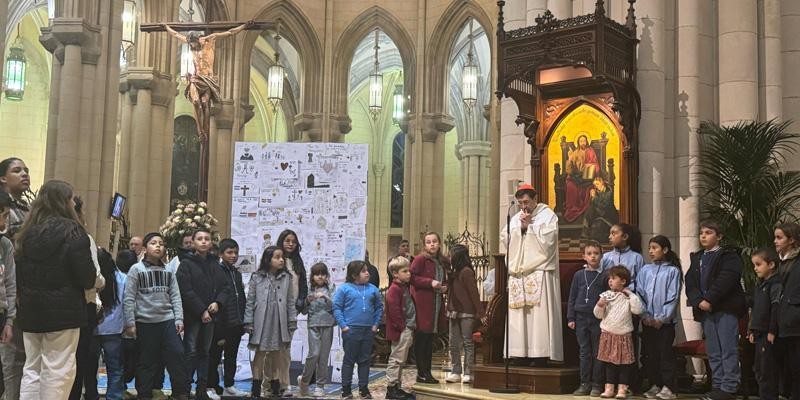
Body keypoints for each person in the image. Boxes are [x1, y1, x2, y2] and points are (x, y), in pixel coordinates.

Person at [14, 180, 97, 399]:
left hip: (31, 311)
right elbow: (87, 277)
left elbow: (19, 275)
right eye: (71, 198)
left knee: (32, 369)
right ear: (65, 201)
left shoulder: (26, 233)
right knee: (58, 369)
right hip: (64, 313)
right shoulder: (73, 231)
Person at [499, 183, 563, 365]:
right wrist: (521, 228)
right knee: (520, 315)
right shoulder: (516, 217)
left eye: (526, 202)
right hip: (519, 274)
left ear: (535, 199)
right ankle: (519, 353)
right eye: (520, 203)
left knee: (538, 316)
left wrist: (531, 228)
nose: (523, 206)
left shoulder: (547, 215)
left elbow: (549, 241)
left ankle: (540, 354)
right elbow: (506, 237)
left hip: (539, 271)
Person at [123, 232, 189, 400]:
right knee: (147, 361)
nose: (158, 246)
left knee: (177, 354)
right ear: (145, 248)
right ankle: (144, 394)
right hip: (145, 321)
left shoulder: (168, 270)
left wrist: (179, 318)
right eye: (153, 243)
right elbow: (129, 297)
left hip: (167, 320)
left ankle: (180, 392)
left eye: (161, 243)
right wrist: (130, 323)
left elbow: (175, 295)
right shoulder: (136, 269)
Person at [684, 220, 746, 400]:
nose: (703, 236)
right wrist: (698, 301)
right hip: (706, 311)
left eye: (708, 232)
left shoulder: (729, 255)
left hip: (725, 308)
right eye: (701, 232)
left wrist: (710, 299)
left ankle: (729, 387)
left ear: (719, 236)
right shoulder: (697, 257)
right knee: (714, 351)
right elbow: (690, 282)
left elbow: (727, 278)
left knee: (728, 349)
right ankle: (717, 386)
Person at [176, 229, 231, 400]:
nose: (204, 242)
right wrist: (202, 310)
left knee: (205, 352)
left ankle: (202, 389)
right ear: (192, 242)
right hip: (193, 316)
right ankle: (184, 389)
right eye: (199, 239)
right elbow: (186, 290)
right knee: (190, 351)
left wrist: (217, 303)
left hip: (211, 316)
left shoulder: (215, 264)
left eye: (207, 239)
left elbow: (225, 287)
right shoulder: (186, 264)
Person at [244, 246, 297, 399]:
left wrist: (291, 321)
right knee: (260, 352)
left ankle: (275, 385)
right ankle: (256, 386)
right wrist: (248, 321)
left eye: (282, 257)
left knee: (277, 352)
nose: (281, 260)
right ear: (268, 259)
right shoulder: (257, 277)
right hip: (261, 319)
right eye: (277, 257)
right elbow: (250, 301)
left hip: (279, 319)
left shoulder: (286, 277)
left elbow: (290, 302)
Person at [69, 196, 106, 400]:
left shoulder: (35, 232)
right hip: (81, 306)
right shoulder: (82, 237)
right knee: (76, 363)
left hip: (45, 308)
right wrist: (102, 282)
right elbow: (93, 277)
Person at [636, 236, 682, 400]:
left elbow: (673, 297)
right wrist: (645, 315)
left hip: (664, 324)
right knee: (650, 355)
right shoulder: (645, 270)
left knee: (665, 355)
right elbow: (639, 294)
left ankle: (669, 387)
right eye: (649, 248)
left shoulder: (672, 271)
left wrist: (661, 318)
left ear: (665, 250)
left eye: (655, 248)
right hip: (648, 322)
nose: (651, 251)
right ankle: (656, 383)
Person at [0, 157, 31, 400]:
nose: (24, 174)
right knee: (10, 361)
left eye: (26, 171)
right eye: (17, 170)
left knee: (19, 357)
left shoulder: (26, 208)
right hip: (10, 288)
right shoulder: (4, 209)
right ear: (3, 178)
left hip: (22, 290)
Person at [601, 223, 644, 389]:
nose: (610, 236)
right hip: (611, 309)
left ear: (625, 237)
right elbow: (604, 280)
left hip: (627, 306)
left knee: (629, 346)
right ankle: (610, 384)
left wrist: (626, 291)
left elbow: (639, 282)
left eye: (614, 233)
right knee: (610, 346)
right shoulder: (606, 258)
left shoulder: (636, 258)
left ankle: (629, 384)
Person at [333, 261, 383, 399]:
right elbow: (337, 307)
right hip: (351, 330)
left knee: (365, 360)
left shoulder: (373, 289)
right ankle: (346, 389)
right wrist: (344, 326)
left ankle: (364, 388)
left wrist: (375, 324)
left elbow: (379, 307)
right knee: (349, 360)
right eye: (363, 271)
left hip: (368, 330)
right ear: (354, 275)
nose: (368, 273)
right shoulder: (344, 289)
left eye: (367, 270)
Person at [594, 266, 643, 399]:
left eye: (614, 278)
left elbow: (638, 310)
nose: (610, 281)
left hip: (623, 336)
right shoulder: (605, 295)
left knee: (624, 364)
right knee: (609, 363)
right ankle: (609, 388)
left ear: (623, 281)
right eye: (609, 278)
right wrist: (600, 305)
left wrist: (631, 295)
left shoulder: (628, 296)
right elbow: (598, 315)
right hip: (608, 335)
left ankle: (622, 389)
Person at [207, 239, 248, 398]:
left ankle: (229, 385)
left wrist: (243, 319)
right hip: (220, 323)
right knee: (215, 356)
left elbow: (241, 297)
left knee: (232, 356)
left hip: (236, 322)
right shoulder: (216, 271)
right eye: (229, 252)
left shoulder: (236, 273)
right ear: (221, 254)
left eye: (236, 253)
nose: (233, 256)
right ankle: (211, 386)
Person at [567, 240, 607, 396]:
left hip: (597, 318)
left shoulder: (604, 276)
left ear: (601, 256)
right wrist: (571, 317)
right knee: (584, 351)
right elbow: (572, 297)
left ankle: (597, 384)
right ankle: (584, 383)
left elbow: (607, 298)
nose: (593, 257)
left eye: (596, 254)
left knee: (597, 351)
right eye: (589, 254)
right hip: (580, 317)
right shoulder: (578, 275)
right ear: (584, 256)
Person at [86, 249, 126, 400]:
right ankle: (114, 396)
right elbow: (127, 304)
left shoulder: (91, 278)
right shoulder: (122, 278)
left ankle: (91, 395)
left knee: (90, 368)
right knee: (115, 368)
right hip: (114, 329)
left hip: (93, 328)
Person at [410, 232, 447, 383]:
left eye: (434, 241)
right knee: (422, 340)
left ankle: (427, 372)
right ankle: (421, 373)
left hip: (436, 304)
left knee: (429, 341)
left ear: (439, 243)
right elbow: (411, 277)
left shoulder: (440, 261)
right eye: (428, 242)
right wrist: (429, 282)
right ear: (425, 245)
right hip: (422, 305)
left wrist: (444, 287)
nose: (432, 244)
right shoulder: (420, 259)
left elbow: (443, 279)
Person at [444, 244, 484, 384]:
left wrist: (481, 312)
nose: (449, 257)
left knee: (467, 343)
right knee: (453, 343)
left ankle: (468, 372)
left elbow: (474, 293)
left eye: (451, 255)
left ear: (457, 256)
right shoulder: (453, 272)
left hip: (466, 312)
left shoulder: (466, 271)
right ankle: (455, 371)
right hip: (453, 311)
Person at [298, 263, 336, 397]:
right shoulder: (308, 289)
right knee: (314, 353)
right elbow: (303, 311)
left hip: (328, 324)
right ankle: (304, 381)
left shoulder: (331, 288)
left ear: (326, 275)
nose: (320, 276)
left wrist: (326, 297)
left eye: (323, 273)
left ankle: (320, 385)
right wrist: (307, 301)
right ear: (312, 276)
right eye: (317, 274)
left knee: (324, 356)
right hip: (313, 325)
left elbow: (335, 306)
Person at [748, 247, 781, 400]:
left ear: (771, 265)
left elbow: (775, 308)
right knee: (759, 369)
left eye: (758, 264)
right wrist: (752, 330)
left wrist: (772, 330)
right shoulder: (760, 285)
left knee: (767, 370)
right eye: (754, 265)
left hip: (768, 334)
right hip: (759, 332)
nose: (755, 268)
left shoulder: (775, 284)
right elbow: (756, 310)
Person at [276, 229, 307, 393]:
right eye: (287, 240)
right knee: (274, 348)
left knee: (285, 348)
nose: (290, 244)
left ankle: (284, 383)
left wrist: (301, 301)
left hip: (291, 311)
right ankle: (271, 383)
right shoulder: (274, 259)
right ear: (281, 241)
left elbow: (303, 286)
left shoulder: (298, 262)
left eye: (293, 241)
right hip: (275, 311)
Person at [775, 222, 800, 400]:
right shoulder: (778, 262)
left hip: (795, 319)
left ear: (791, 240)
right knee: (783, 365)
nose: (775, 241)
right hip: (780, 320)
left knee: (796, 364)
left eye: (779, 237)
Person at [384, 257, 416, 400]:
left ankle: (397, 386)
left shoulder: (403, 287)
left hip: (407, 327)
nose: (409, 273)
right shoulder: (394, 289)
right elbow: (394, 311)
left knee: (401, 359)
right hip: (401, 330)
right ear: (395, 274)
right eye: (405, 271)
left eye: (408, 270)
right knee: (396, 358)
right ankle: (391, 389)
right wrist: (402, 327)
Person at [0, 189, 18, 398]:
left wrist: (9, 321)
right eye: (4, 214)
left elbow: (10, 284)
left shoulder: (5, 245)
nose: (6, 220)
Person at [563, 134, 601, 223]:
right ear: (578, 142)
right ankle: (572, 209)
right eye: (581, 141)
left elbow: (596, 164)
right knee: (570, 185)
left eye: (584, 141)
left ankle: (584, 210)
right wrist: (570, 158)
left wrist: (590, 167)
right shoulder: (575, 152)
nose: (583, 143)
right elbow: (569, 168)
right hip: (577, 176)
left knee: (588, 188)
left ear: (587, 141)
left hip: (588, 177)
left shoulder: (591, 151)